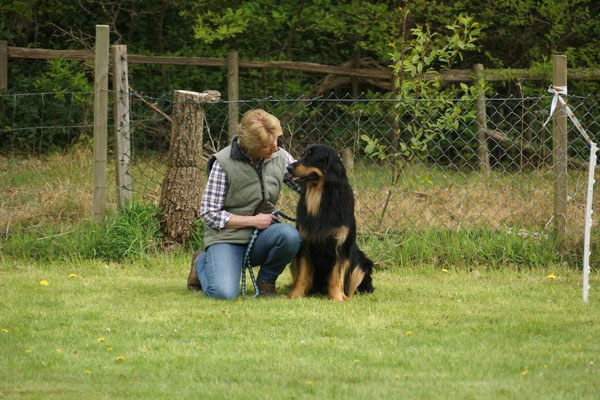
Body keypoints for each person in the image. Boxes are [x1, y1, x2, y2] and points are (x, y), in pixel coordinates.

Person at [187, 109, 302, 299]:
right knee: (222, 293)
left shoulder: (280, 156)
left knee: (290, 236)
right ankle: (201, 262)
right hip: (227, 239)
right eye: (268, 145)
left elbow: (304, 186)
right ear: (251, 146)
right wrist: (253, 221)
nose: (275, 148)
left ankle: (266, 283)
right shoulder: (223, 163)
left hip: (262, 236)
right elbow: (208, 213)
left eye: (276, 141)